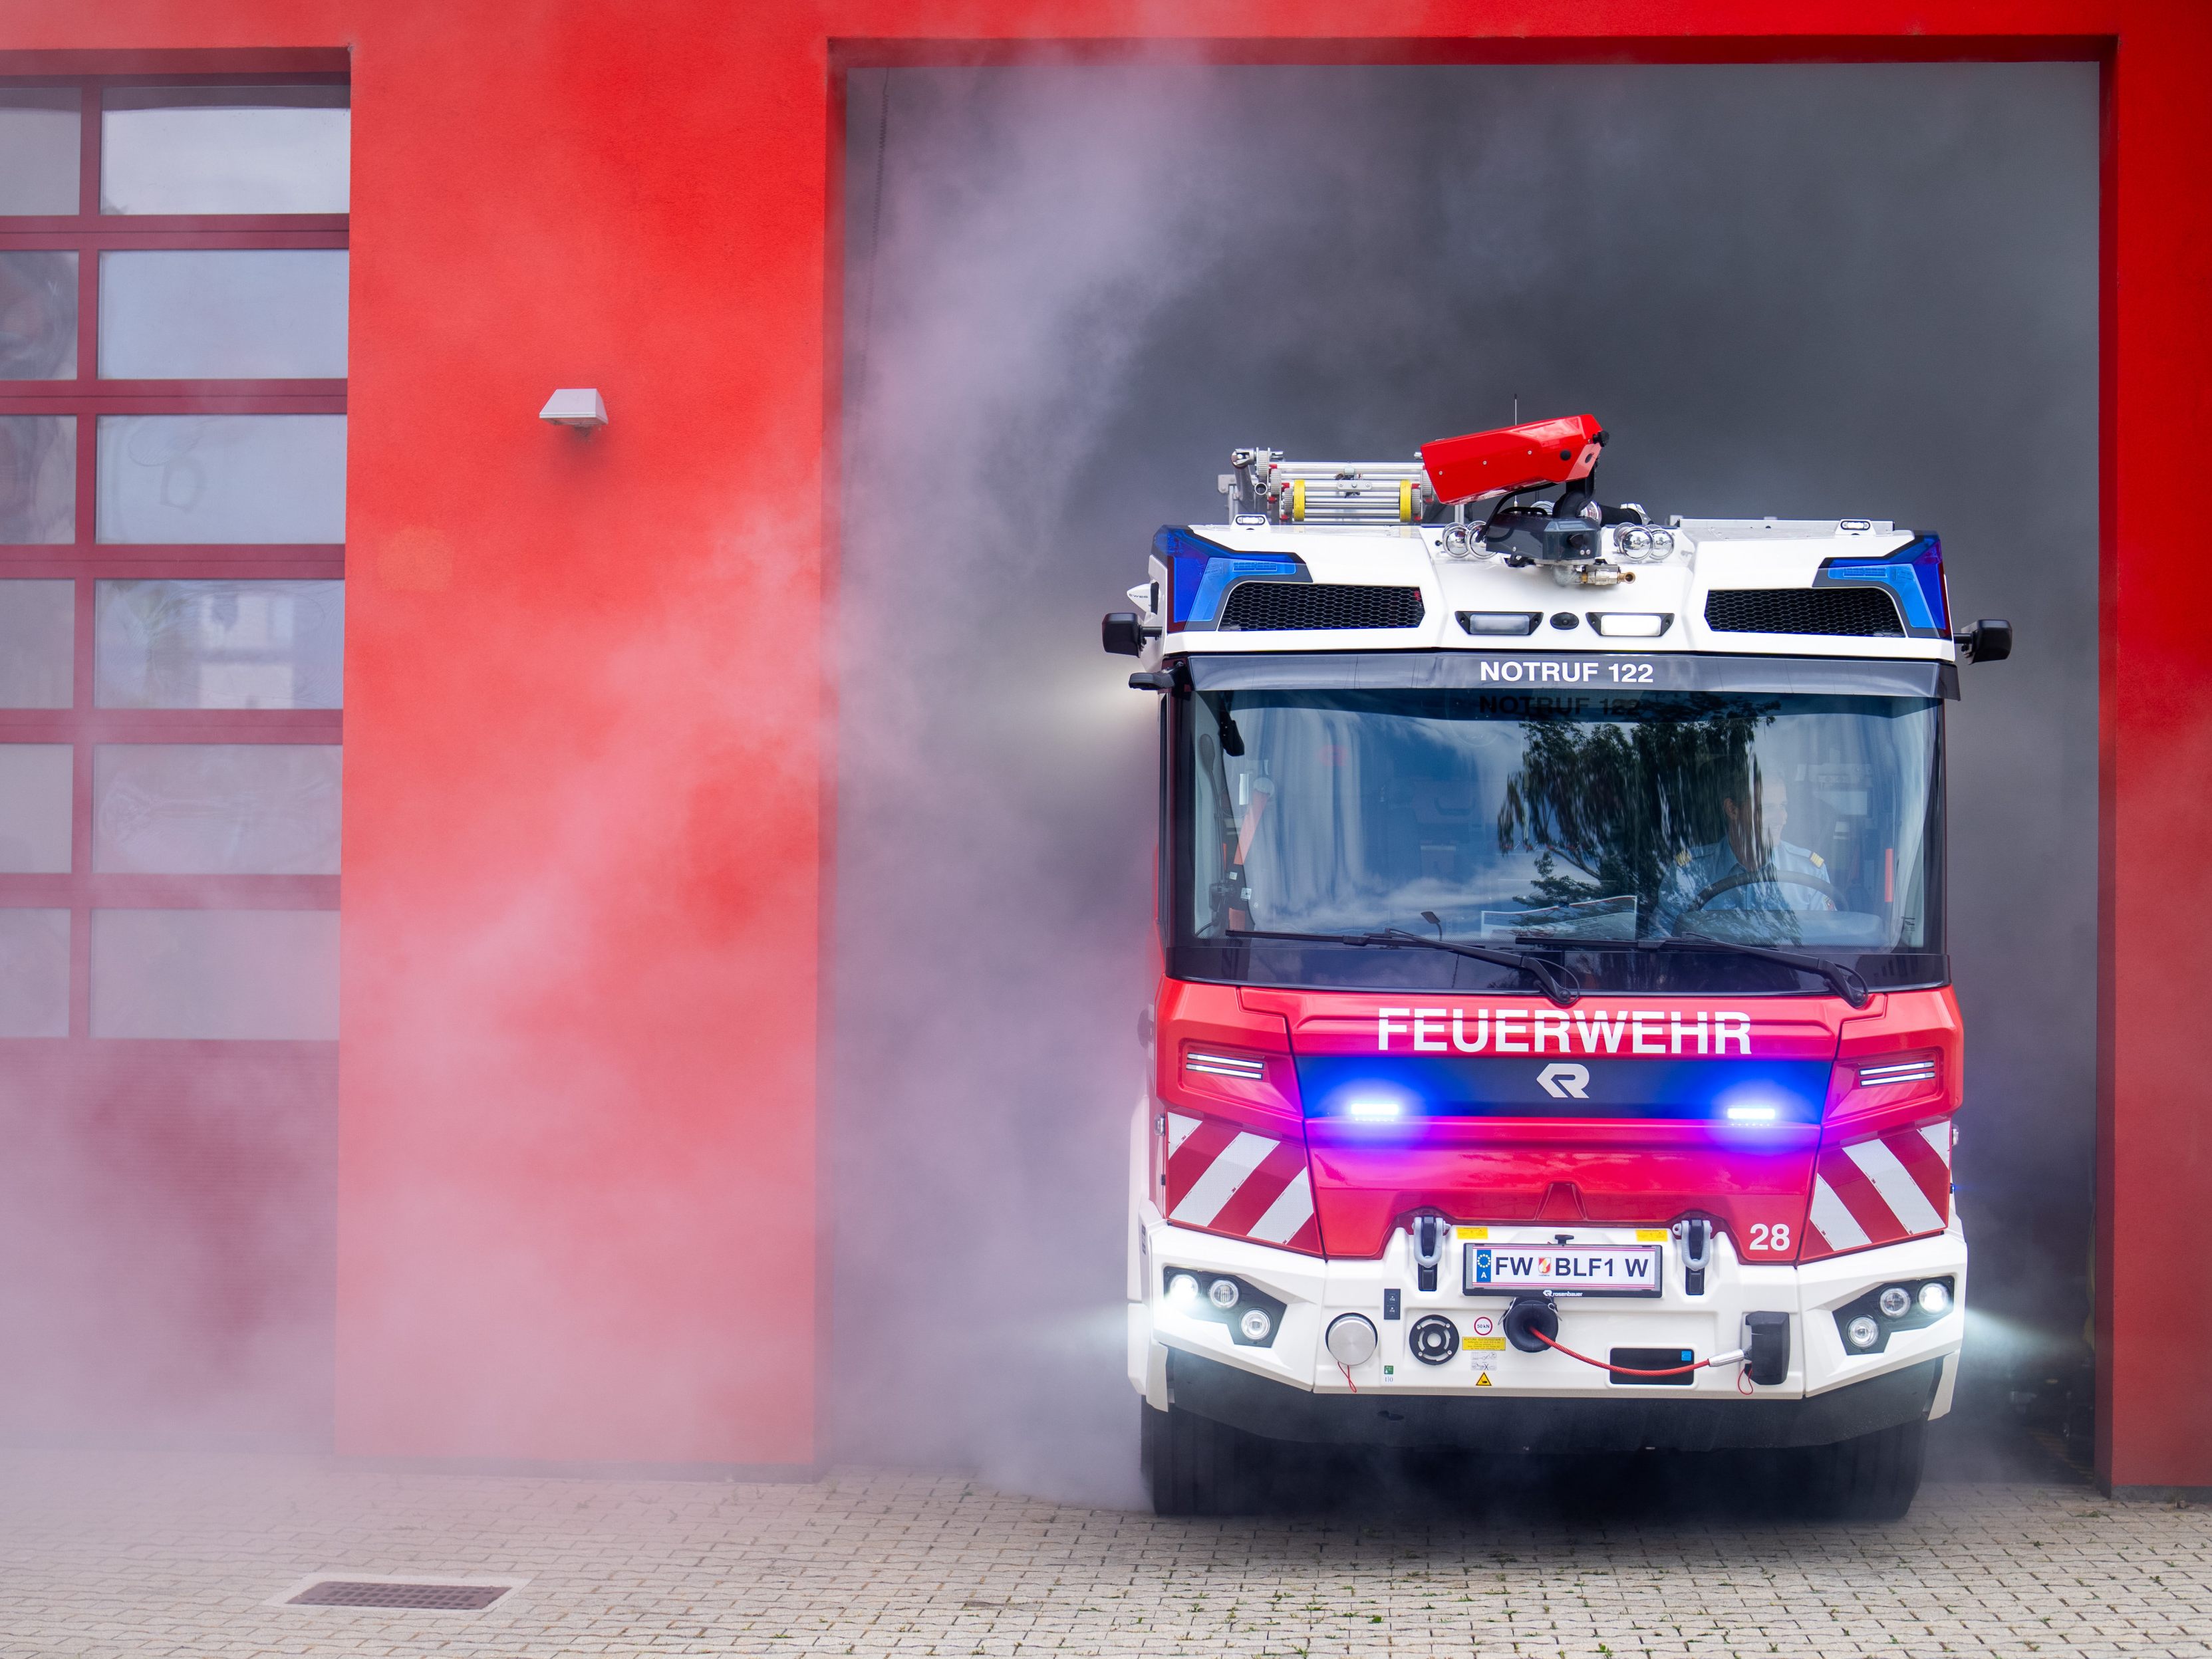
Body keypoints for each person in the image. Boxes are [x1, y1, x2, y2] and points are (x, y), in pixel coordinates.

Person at [1657, 767, 1834, 932]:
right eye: (1768, 808)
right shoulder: (1689, 873)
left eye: (1783, 806)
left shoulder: (1809, 872)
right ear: (1733, 810)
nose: (1782, 818)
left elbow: (1829, 946)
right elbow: (1662, 943)